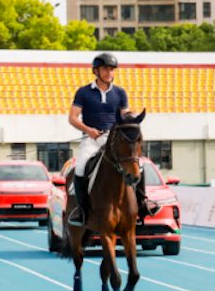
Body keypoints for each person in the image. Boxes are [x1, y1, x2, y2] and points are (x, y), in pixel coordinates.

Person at [67, 53, 158, 226]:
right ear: (96, 71)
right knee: (80, 168)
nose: (109, 72)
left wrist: (131, 124)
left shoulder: (120, 92)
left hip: (115, 138)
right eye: (105, 69)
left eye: (112, 69)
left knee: (139, 165)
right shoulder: (83, 92)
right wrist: (89, 130)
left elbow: (125, 116)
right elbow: (73, 118)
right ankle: (81, 209)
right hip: (91, 138)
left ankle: (142, 204)